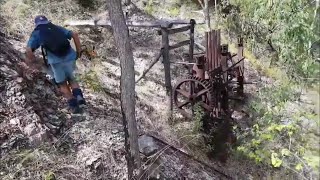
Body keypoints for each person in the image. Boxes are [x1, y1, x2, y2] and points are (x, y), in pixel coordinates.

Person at [25, 15, 86, 114]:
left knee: (62, 84)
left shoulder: (37, 33)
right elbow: (74, 34)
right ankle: (79, 97)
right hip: (70, 57)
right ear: (47, 21)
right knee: (72, 79)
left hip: (56, 62)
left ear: (36, 24)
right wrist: (79, 51)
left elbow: (28, 50)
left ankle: (74, 106)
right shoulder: (56, 27)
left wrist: (34, 62)